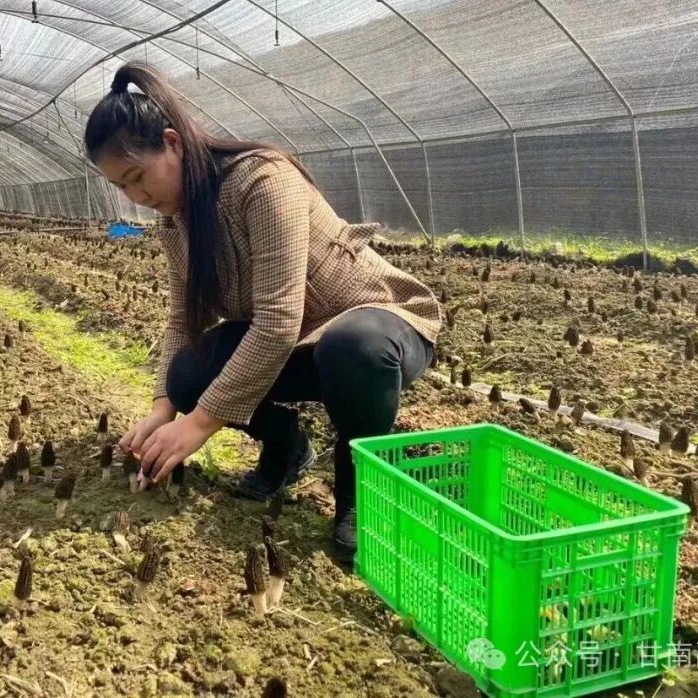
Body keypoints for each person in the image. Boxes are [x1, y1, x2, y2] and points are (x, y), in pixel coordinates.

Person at [85, 62, 441, 563]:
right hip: (299, 345)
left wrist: (199, 424)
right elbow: (181, 322)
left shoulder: (263, 181)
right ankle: (287, 447)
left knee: (352, 346)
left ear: (172, 143)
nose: (137, 197)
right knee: (188, 373)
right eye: (122, 187)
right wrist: (164, 407)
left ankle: (361, 492)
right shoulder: (177, 224)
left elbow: (276, 321)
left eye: (137, 177)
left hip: (378, 324)